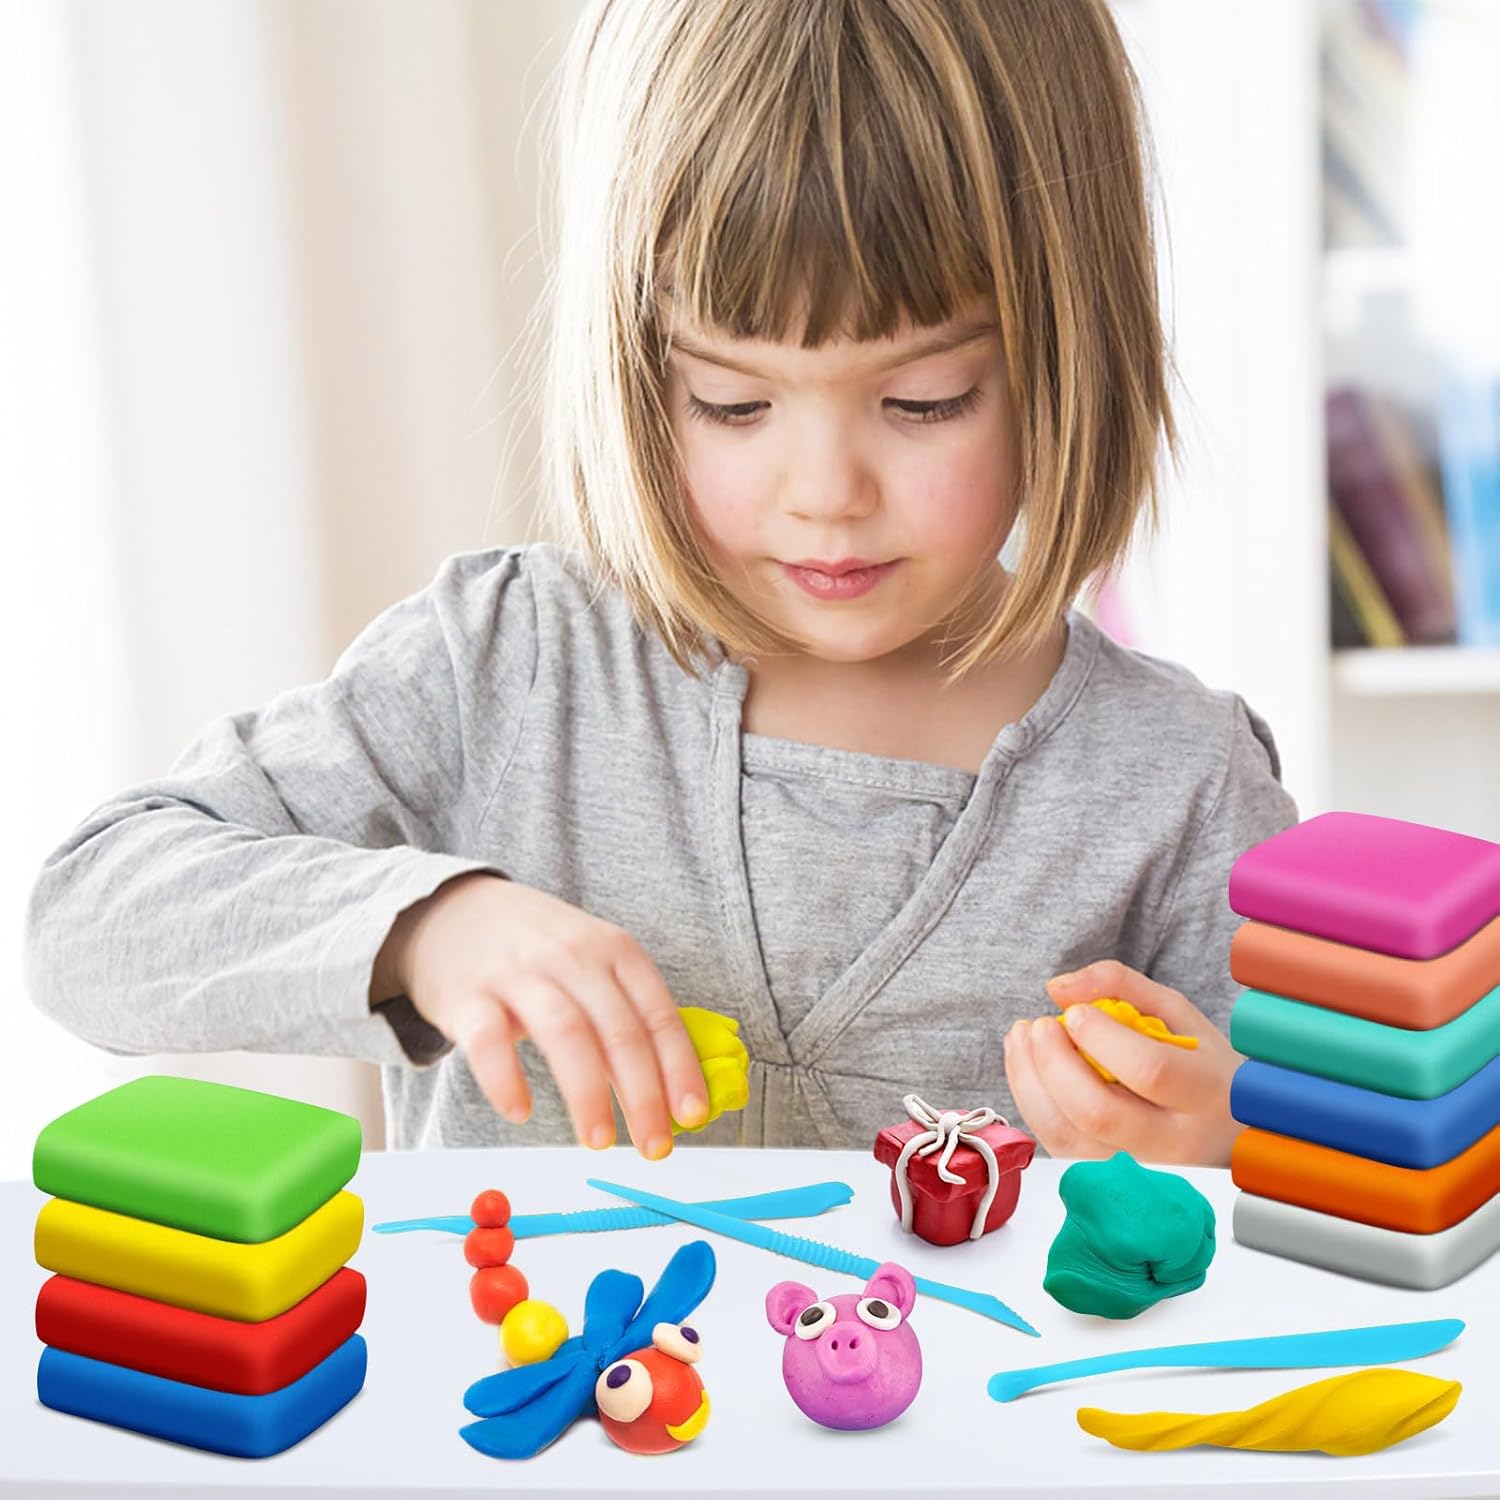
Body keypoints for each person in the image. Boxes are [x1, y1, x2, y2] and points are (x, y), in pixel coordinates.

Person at [23, 0, 1297, 1167]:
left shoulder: (1178, 783)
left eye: (925, 400)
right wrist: (425, 927)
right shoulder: (511, 662)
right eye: (732, 402)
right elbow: (88, 913)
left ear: (1070, 358)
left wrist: (1235, 1140)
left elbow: (1352, 1218)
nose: (825, 492)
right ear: (637, 369)